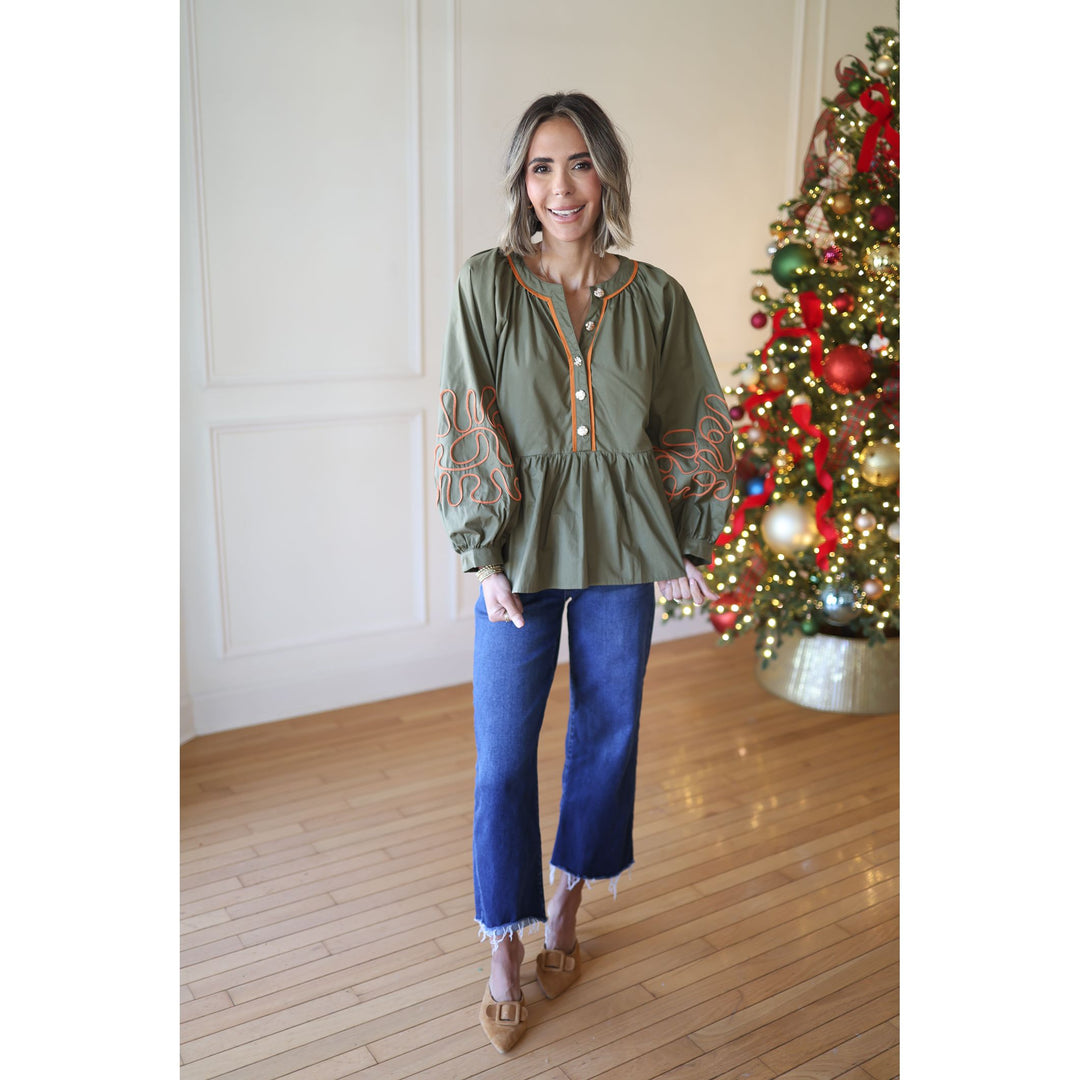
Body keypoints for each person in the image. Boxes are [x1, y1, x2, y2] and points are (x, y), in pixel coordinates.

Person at [434, 91, 736, 1053]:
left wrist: (687, 539)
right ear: (522, 184)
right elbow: (465, 415)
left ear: (607, 172)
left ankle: (567, 907)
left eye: (579, 164)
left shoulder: (655, 296)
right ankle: (503, 941)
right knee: (503, 757)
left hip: (618, 555)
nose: (561, 187)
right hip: (516, 559)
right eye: (541, 167)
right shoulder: (487, 284)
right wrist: (480, 551)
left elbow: (695, 412)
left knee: (611, 732)